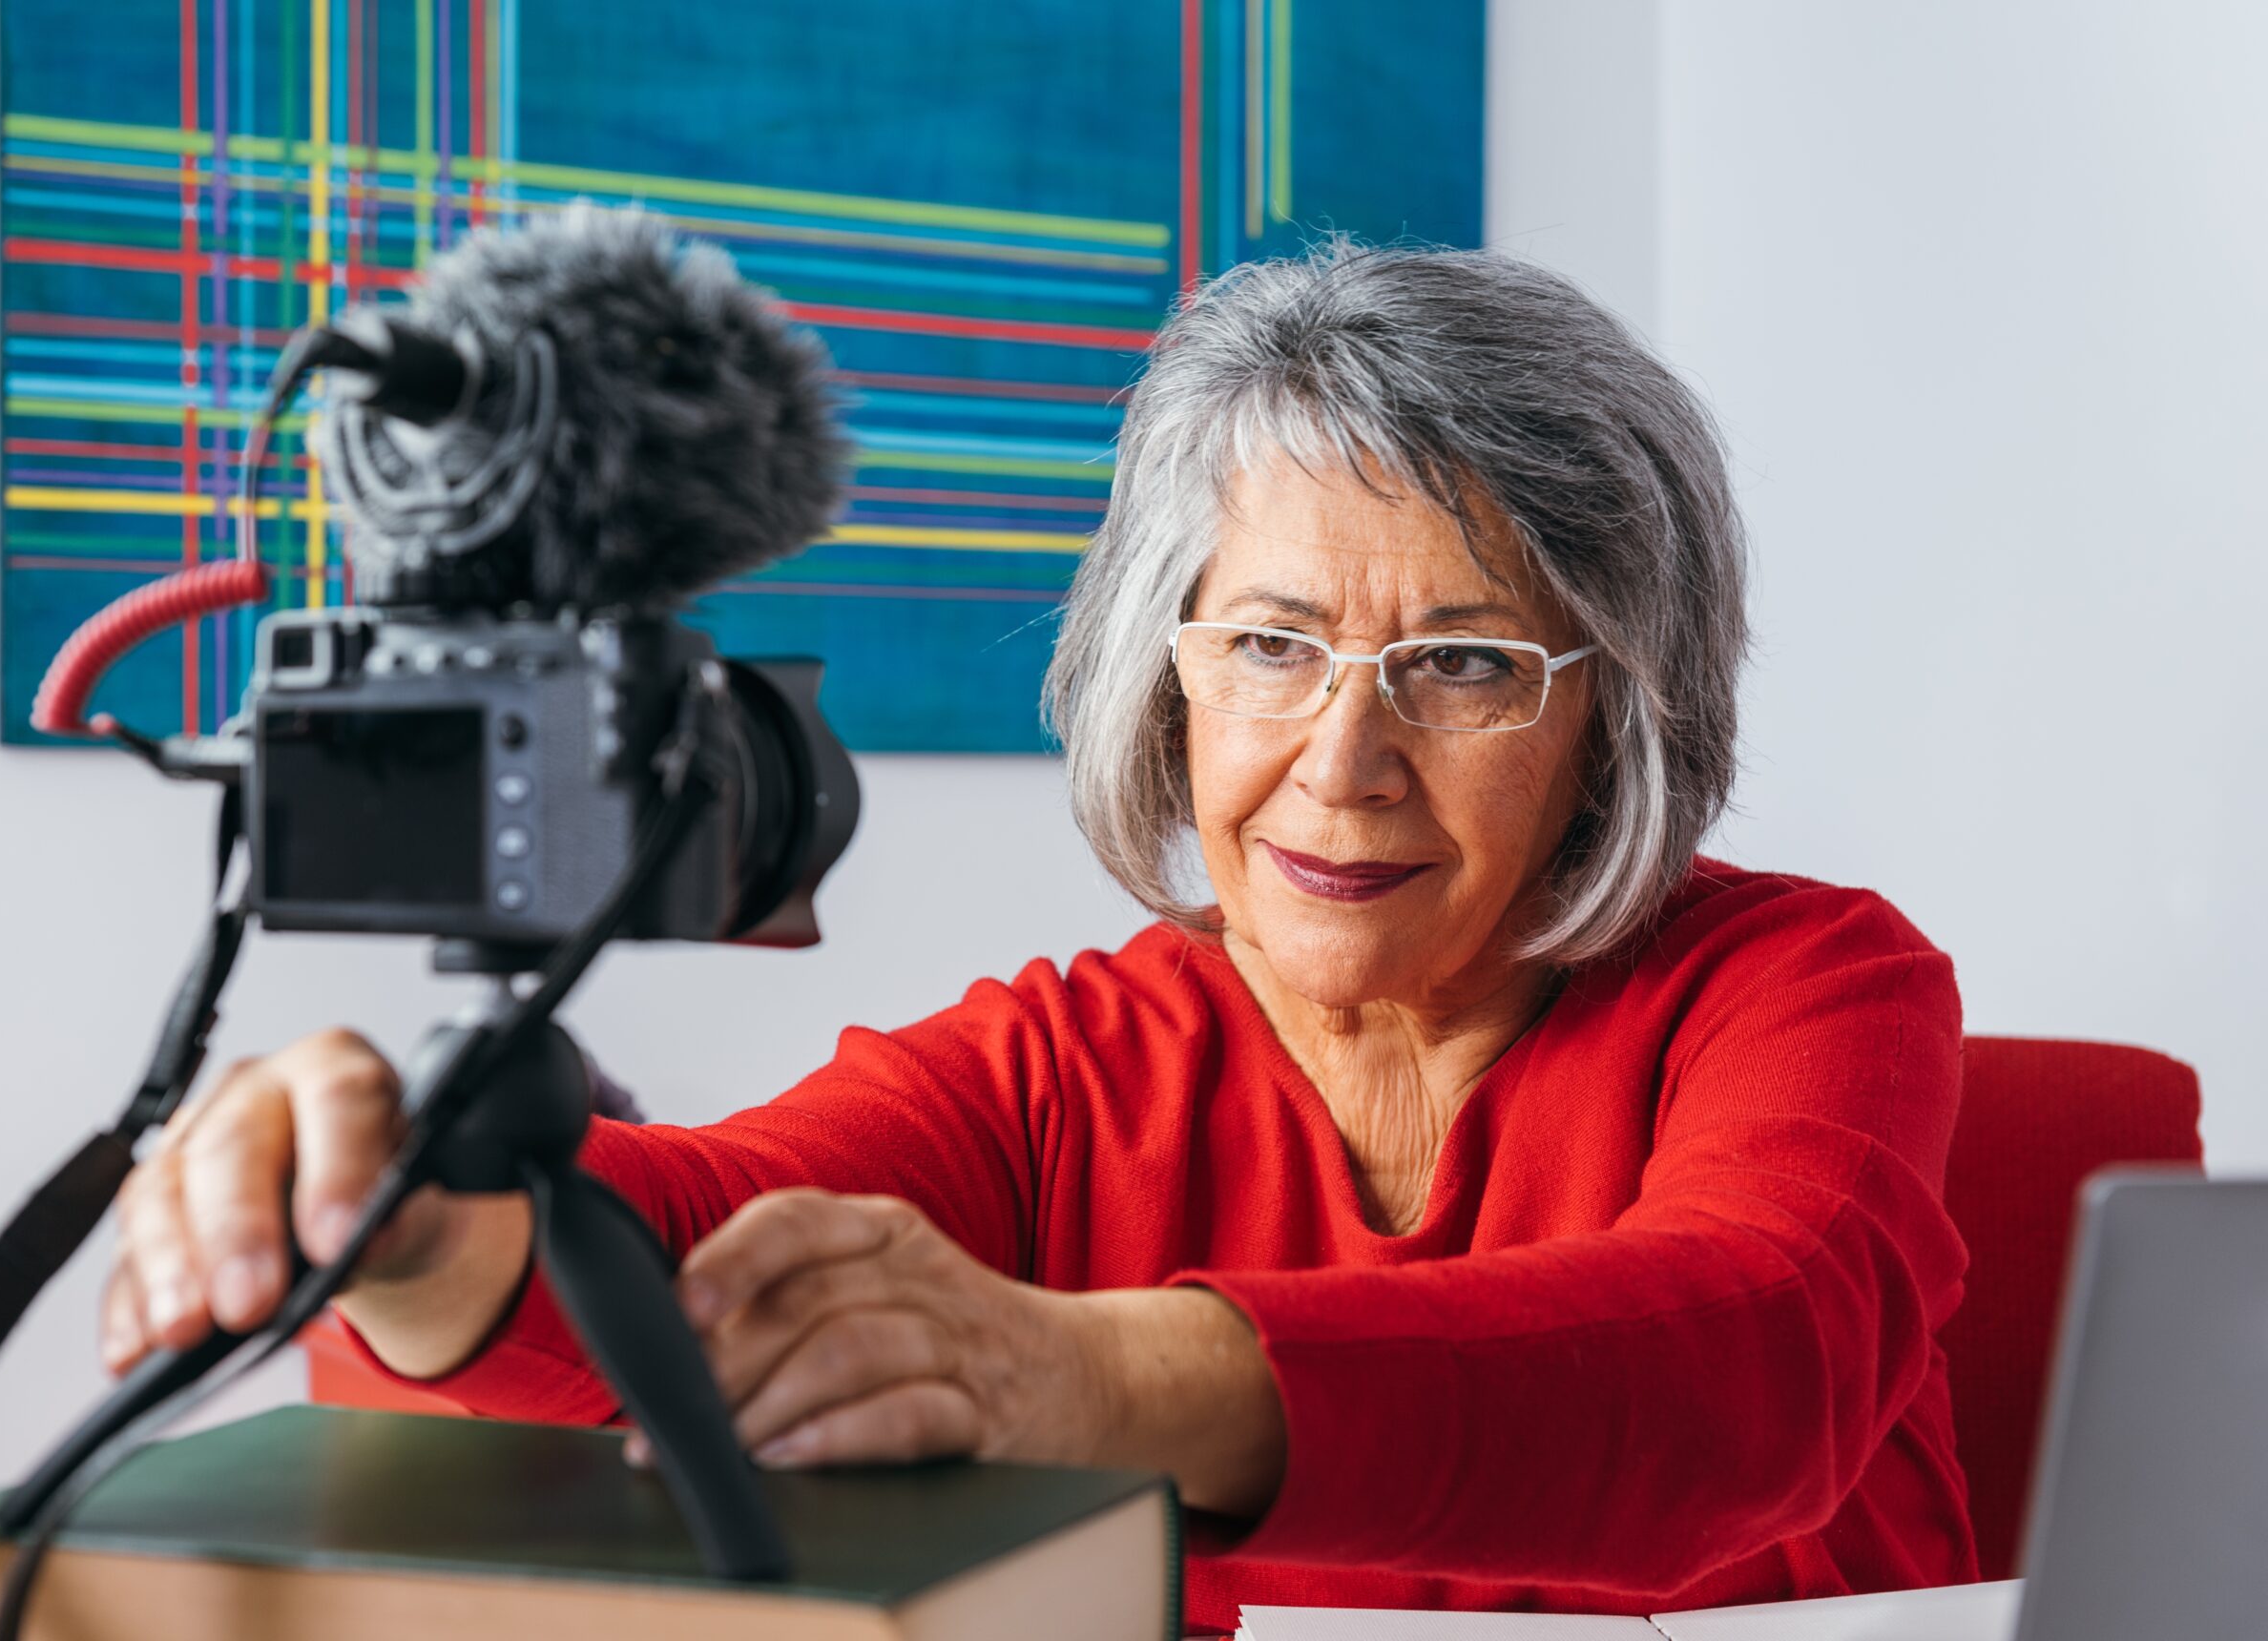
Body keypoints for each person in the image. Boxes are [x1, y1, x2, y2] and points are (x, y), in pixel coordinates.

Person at [98, 240, 1977, 1631]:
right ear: (1165, 676)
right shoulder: (1064, 1065)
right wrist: (417, 1225)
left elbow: (1745, 1359)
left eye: (1461, 662)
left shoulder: (1806, 987)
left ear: (1609, 719)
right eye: (1269, 642)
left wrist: (1073, 1373)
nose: (1345, 759)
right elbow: (702, 1261)